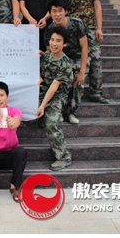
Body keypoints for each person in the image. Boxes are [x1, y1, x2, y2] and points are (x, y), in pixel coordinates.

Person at [60, 0, 108, 104]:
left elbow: (97, 6)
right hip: (73, 31)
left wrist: (99, 28)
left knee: (96, 60)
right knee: (73, 60)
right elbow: (63, 11)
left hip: (90, 29)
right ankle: (71, 93)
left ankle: (95, 92)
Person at [43, 0, 89, 124]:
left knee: (77, 81)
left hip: (77, 58)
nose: (57, 14)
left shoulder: (77, 24)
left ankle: (71, 112)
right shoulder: (49, 30)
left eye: (60, 10)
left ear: (66, 11)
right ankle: (59, 110)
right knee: (59, 78)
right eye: (54, 11)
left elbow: (85, 48)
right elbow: (50, 53)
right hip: (60, 59)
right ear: (50, 13)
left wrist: (82, 71)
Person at [36, 26, 73, 170]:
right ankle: (42, 118)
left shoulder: (65, 63)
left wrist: (42, 105)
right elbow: (38, 69)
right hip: (42, 91)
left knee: (50, 123)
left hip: (57, 96)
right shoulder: (46, 56)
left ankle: (64, 157)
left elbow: (54, 86)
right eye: (52, 39)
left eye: (58, 41)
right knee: (26, 114)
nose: (54, 43)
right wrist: (39, 76)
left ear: (65, 44)